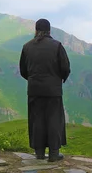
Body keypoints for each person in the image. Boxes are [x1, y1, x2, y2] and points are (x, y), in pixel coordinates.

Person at [19, 18, 71, 161]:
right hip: (53, 90)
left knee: (37, 120)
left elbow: (23, 70)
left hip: (34, 89)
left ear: (36, 30)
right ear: (49, 30)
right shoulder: (57, 46)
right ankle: (54, 154)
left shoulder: (27, 47)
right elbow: (65, 68)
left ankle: (39, 153)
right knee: (54, 120)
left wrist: (34, 80)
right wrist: (58, 79)